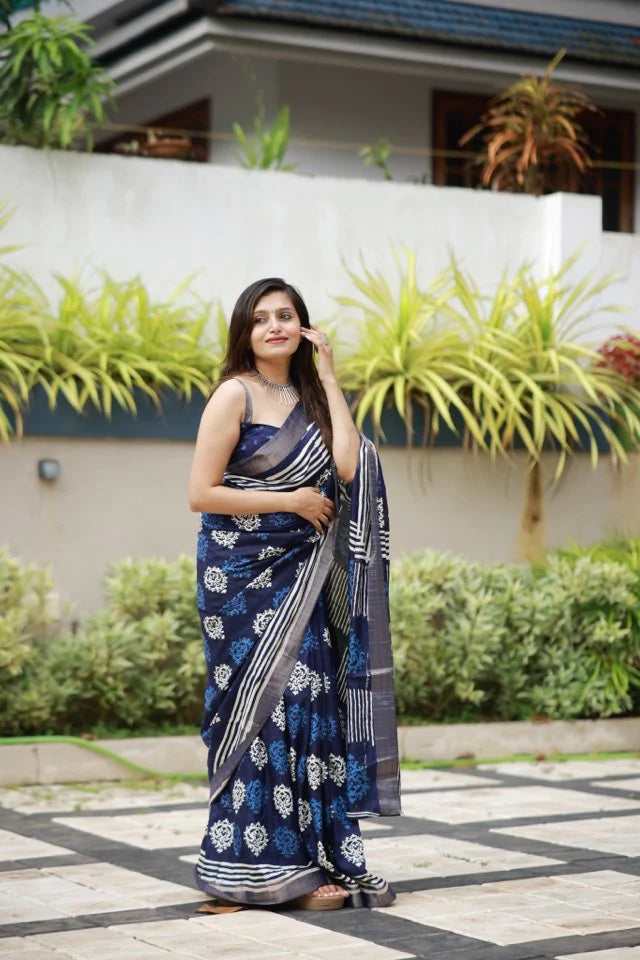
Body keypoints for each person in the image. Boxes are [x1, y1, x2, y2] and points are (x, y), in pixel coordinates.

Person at [187, 277, 400, 912]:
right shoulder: (234, 394)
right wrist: (291, 500)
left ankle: (307, 859)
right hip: (241, 580)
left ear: (303, 328)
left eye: (285, 315)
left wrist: (329, 377)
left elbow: (349, 467)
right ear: (245, 331)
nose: (274, 326)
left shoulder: (311, 397)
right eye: (261, 318)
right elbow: (201, 493)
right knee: (258, 709)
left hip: (304, 575)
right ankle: (246, 864)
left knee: (308, 703)